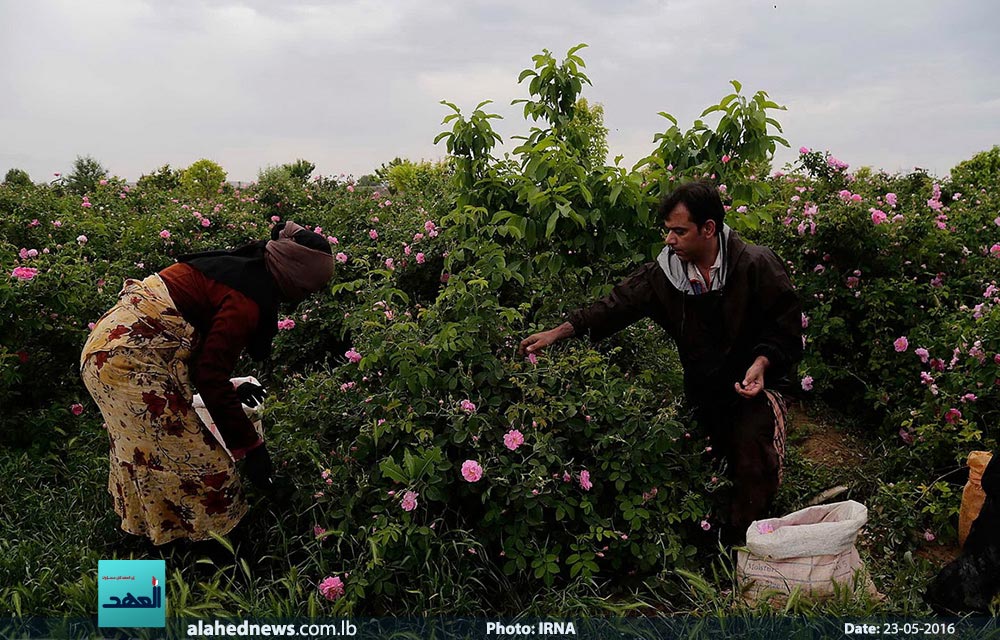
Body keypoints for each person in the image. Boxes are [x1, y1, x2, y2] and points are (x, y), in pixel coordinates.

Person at [519, 180, 802, 541]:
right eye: (668, 231)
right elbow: (615, 306)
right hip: (705, 389)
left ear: (709, 228)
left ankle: (748, 551)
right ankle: (711, 543)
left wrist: (762, 363)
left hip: (757, 387)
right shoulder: (665, 275)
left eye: (679, 231)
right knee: (702, 461)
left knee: (750, 459)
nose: (670, 240)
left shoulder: (755, 265)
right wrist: (559, 332)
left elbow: (787, 327)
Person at [80, 221, 335, 545]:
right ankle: (220, 558)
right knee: (209, 469)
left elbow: (197, 352)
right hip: (126, 363)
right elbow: (208, 374)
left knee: (147, 454)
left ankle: (153, 546)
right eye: (308, 290)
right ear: (295, 277)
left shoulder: (243, 271)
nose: (304, 298)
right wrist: (252, 450)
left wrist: (229, 388)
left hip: (113, 351)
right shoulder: (246, 300)